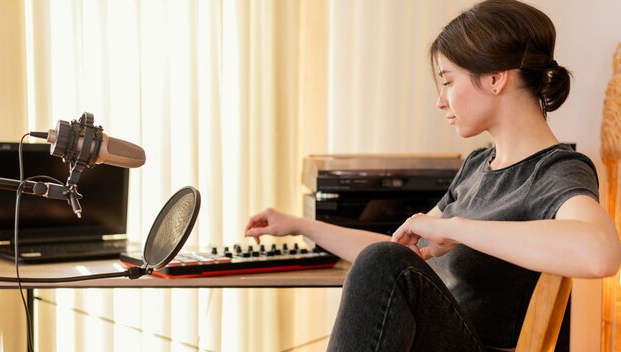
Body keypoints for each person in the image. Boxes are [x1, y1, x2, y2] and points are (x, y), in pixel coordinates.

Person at [244, 0, 621, 350]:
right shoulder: (478, 166)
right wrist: (300, 226)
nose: (440, 100)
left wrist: (454, 227)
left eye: (448, 80)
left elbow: (600, 253)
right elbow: (392, 260)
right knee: (380, 259)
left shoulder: (554, 169)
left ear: (495, 79)